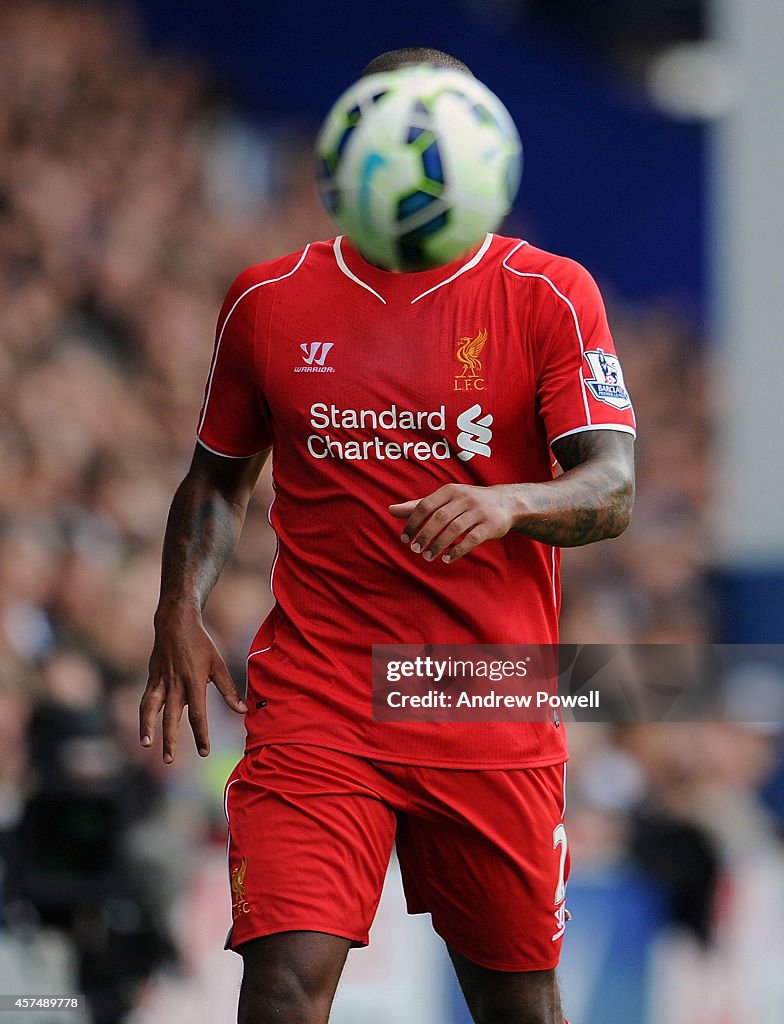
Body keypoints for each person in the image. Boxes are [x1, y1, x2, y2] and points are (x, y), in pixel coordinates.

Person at [139, 46, 636, 1024]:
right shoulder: (267, 302)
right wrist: (176, 606)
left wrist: (512, 502)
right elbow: (215, 478)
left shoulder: (548, 293)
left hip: (483, 693)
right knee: (281, 983)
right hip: (320, 694)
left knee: (517, 1006)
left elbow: (612, 487)